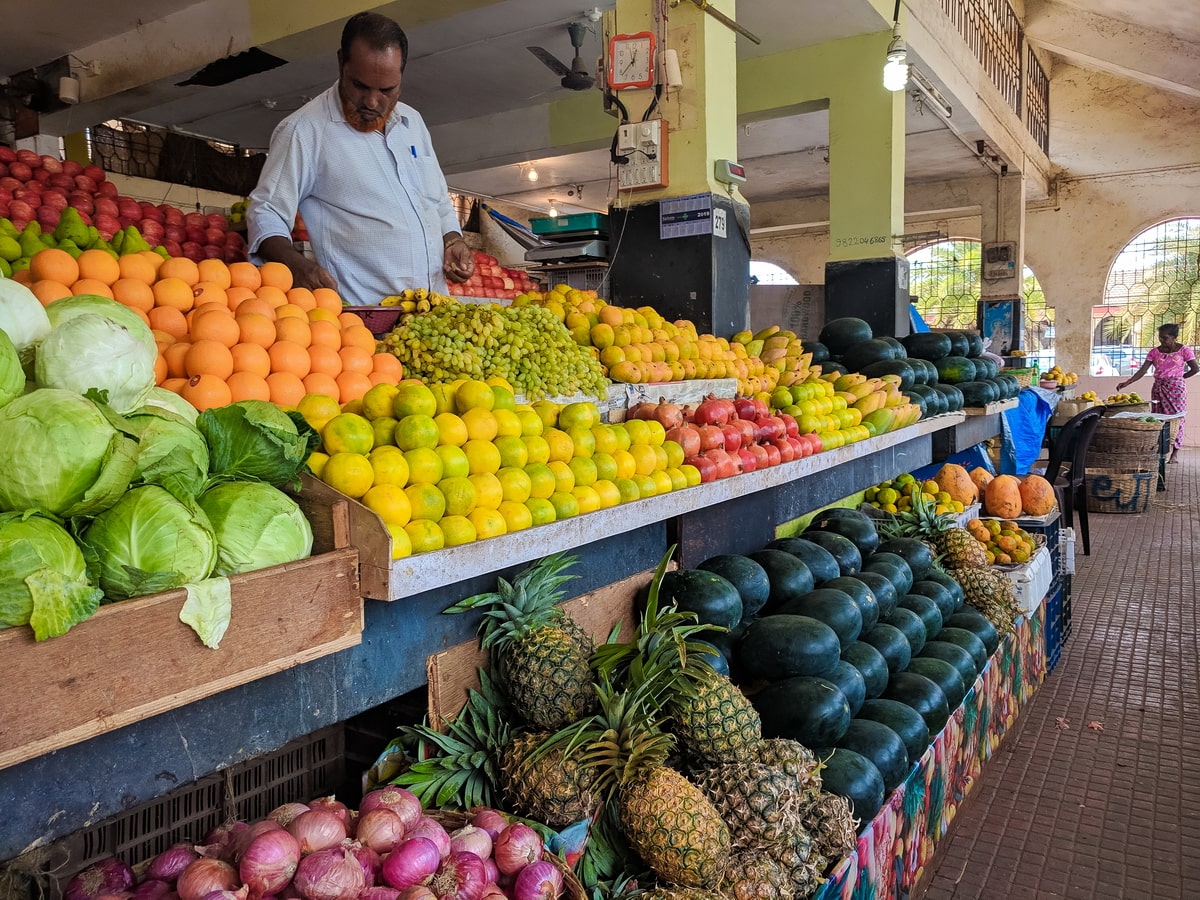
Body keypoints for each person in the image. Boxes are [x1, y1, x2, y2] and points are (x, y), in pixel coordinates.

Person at [247, 11, 475, 306]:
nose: (371, 101)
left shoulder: (413, 123)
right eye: (360, 86)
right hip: (367, 327)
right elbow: (266, 212)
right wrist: (297, 265)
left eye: (386, 90)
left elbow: (438, 202)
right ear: (341, 62)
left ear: (401, 77)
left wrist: (453, 240)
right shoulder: (305, 131)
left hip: (436, 317)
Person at [1116, 323, 1199, 462]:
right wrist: (1127, 382)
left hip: (1176, 390)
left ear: (1174, 337)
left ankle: (1175, 453)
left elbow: (1195, 369)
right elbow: (1142, 370)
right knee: (1158, 418)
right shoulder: (1154, 352)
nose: (1161, 340)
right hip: (1158, 388)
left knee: (1177, 418)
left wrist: (1179, 378)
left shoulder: (1184, 351)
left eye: (1165, 337)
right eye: (1160, 337)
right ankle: (1160, 451)